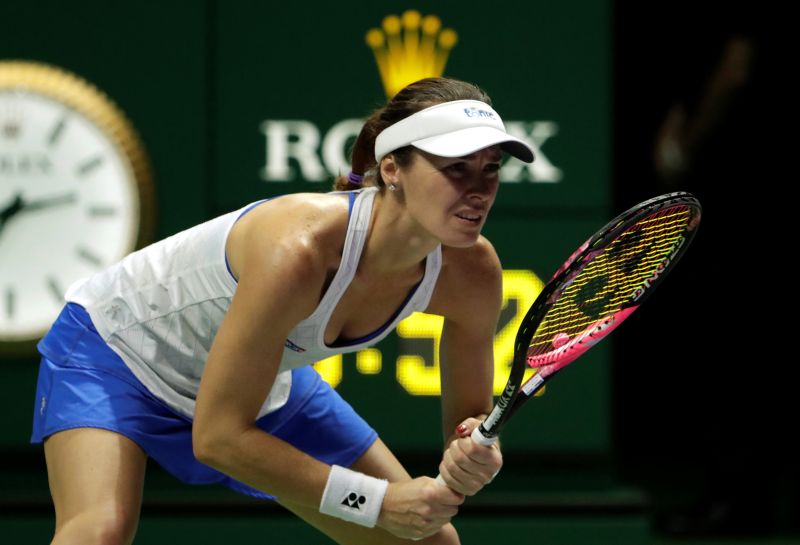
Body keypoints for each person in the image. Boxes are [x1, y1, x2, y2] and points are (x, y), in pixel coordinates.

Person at [31, 76, 535, 545]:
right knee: (100, 530)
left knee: (430, 542)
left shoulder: (473, 273)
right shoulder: (299, 250)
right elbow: (219, 439)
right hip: (115, 349)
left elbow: (467, 424)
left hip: (257, 378)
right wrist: (375, 502)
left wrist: (475, 453)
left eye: (491, 168)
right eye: (456, 168)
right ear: (391, 169)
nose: (479, 189)